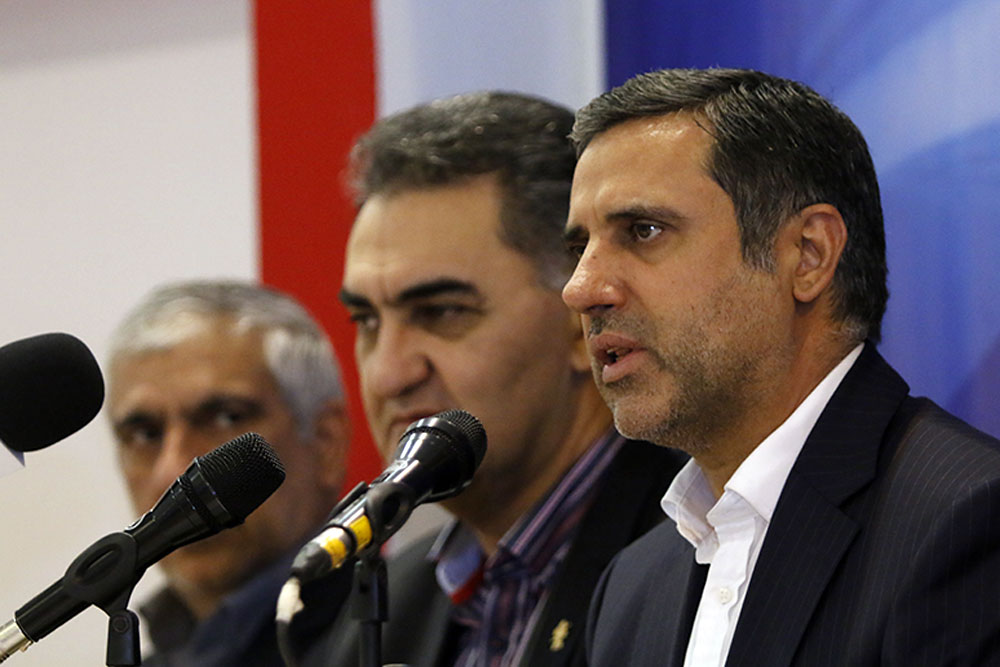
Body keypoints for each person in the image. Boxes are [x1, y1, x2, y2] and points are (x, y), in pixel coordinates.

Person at [561, 67, 1000, 666]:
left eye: (644, 231)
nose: (582, 288)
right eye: (578, 248)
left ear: (808, 255)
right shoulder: (632, 588)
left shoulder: (968, 524)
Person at [302, 91, 687, 667]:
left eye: (442, 312)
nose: (387, 374)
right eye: (367, 321)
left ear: (581, 321)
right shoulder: (392, 605)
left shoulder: (695, 555)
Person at [106, 280, 353, 666]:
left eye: (226, 418)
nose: (172, 470)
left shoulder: (399, 635)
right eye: (145, 434)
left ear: (326, 441)